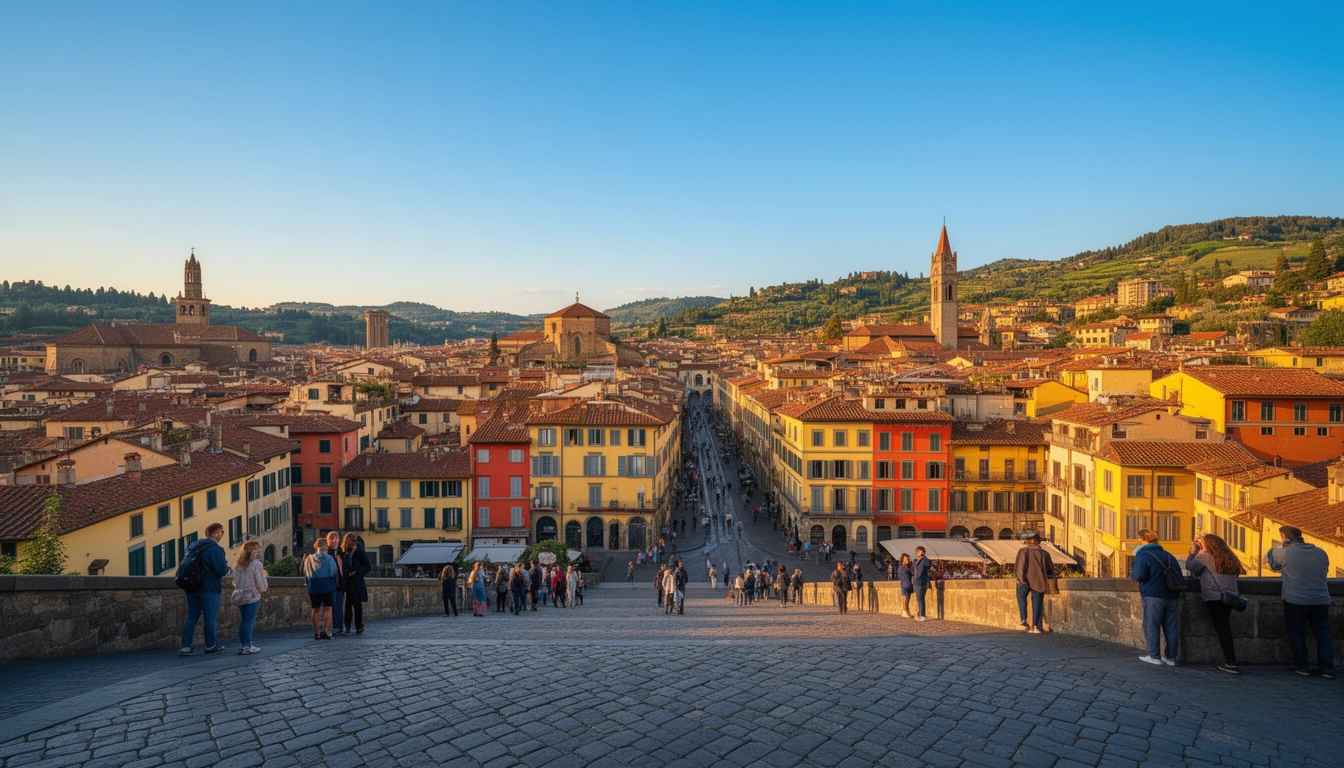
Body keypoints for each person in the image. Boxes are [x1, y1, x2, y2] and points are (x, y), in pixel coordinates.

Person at [1267, 525, 1335, 679]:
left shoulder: (1284, 553)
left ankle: (1302, 667)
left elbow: (1272, 564)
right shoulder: (1321, 552)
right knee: (1323, 634)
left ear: (1283, 536)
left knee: (1297, 633)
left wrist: (1279, 547)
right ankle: (1327, 669)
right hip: (1321, 599)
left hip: (1296, 599)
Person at [1186, 533, 1243, 674]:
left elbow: (1190, 566)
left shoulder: (1205, 557)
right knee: (1225, 628)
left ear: (1208, 545)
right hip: (1230, 596)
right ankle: (1231, 661)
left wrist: (1194, 551)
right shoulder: (1230, 557)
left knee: (1222, 629)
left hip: (1214, 596)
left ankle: (1231, 663)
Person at [1129, 529, 1182, 666]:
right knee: (1171, 627)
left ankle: (1154, 656)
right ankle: (1170, 658)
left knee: (1151, 625)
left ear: (1141, 539)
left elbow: (1138, 575)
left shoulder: (1143, 555)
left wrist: (1132, 574)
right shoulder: (1168, 555)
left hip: (1153, 594)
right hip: (1172, 594)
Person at [179, 522, 230, 655]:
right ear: (215, 533)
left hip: (191, 586)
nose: (221, 535)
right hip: (209, 588)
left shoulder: (193, 546)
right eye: (221, 532)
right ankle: (210, 645)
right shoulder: (215, 549)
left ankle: (185, 646)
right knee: (210, 617)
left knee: (192, 616)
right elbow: (221, 570)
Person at [227, 540, 267, 655]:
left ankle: (243, 644)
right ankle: (247, 645)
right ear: (253, 551)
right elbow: (260, 583)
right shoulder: (256, 564)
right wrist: (262, 589)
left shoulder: (237, 565)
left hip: (240, 595)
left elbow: (234, 581)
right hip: (252, 595)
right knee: (249, 621)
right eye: (257, 549)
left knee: (243, 620)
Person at [1014, 533, 1054, 634]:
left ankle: (1023, 619)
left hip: (1024, 580)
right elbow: (1050, 569)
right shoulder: (1045, 553)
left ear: (1028, 542)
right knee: (1037, 602)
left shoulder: (1023, 551)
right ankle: (1035, 626)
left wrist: (1021, 579)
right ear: (1039, 542)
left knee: (1021, 597)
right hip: (1039, 581)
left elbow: (1019, 566)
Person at [302, 539, 339, 640]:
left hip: (313, 585)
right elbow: (333, 572)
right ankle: (326, 630)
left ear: (315, 546)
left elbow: (305, 572)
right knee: (328, 608)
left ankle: (317, 632)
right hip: (327, 584)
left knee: (315, 608)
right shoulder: (329, 558)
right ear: (326, 547)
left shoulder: (309, 558)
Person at [339, 534, 370, 634]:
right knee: (348, 604)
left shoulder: (359, 552)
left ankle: (358, 626)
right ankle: (348, 626)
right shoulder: (344, 553)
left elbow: (367, 566)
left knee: (356, 604)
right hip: (347, 581)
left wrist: (357, 572)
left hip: (356, 581)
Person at [325, 531, 345, 635]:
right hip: (332, 582)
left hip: (338, 582)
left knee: (337, 604)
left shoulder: (340, 552)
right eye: (331, 539)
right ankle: (338, 626)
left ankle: (339, 627)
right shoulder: (328, 553)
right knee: (334, 605)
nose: (333, 541)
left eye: (335, 538)